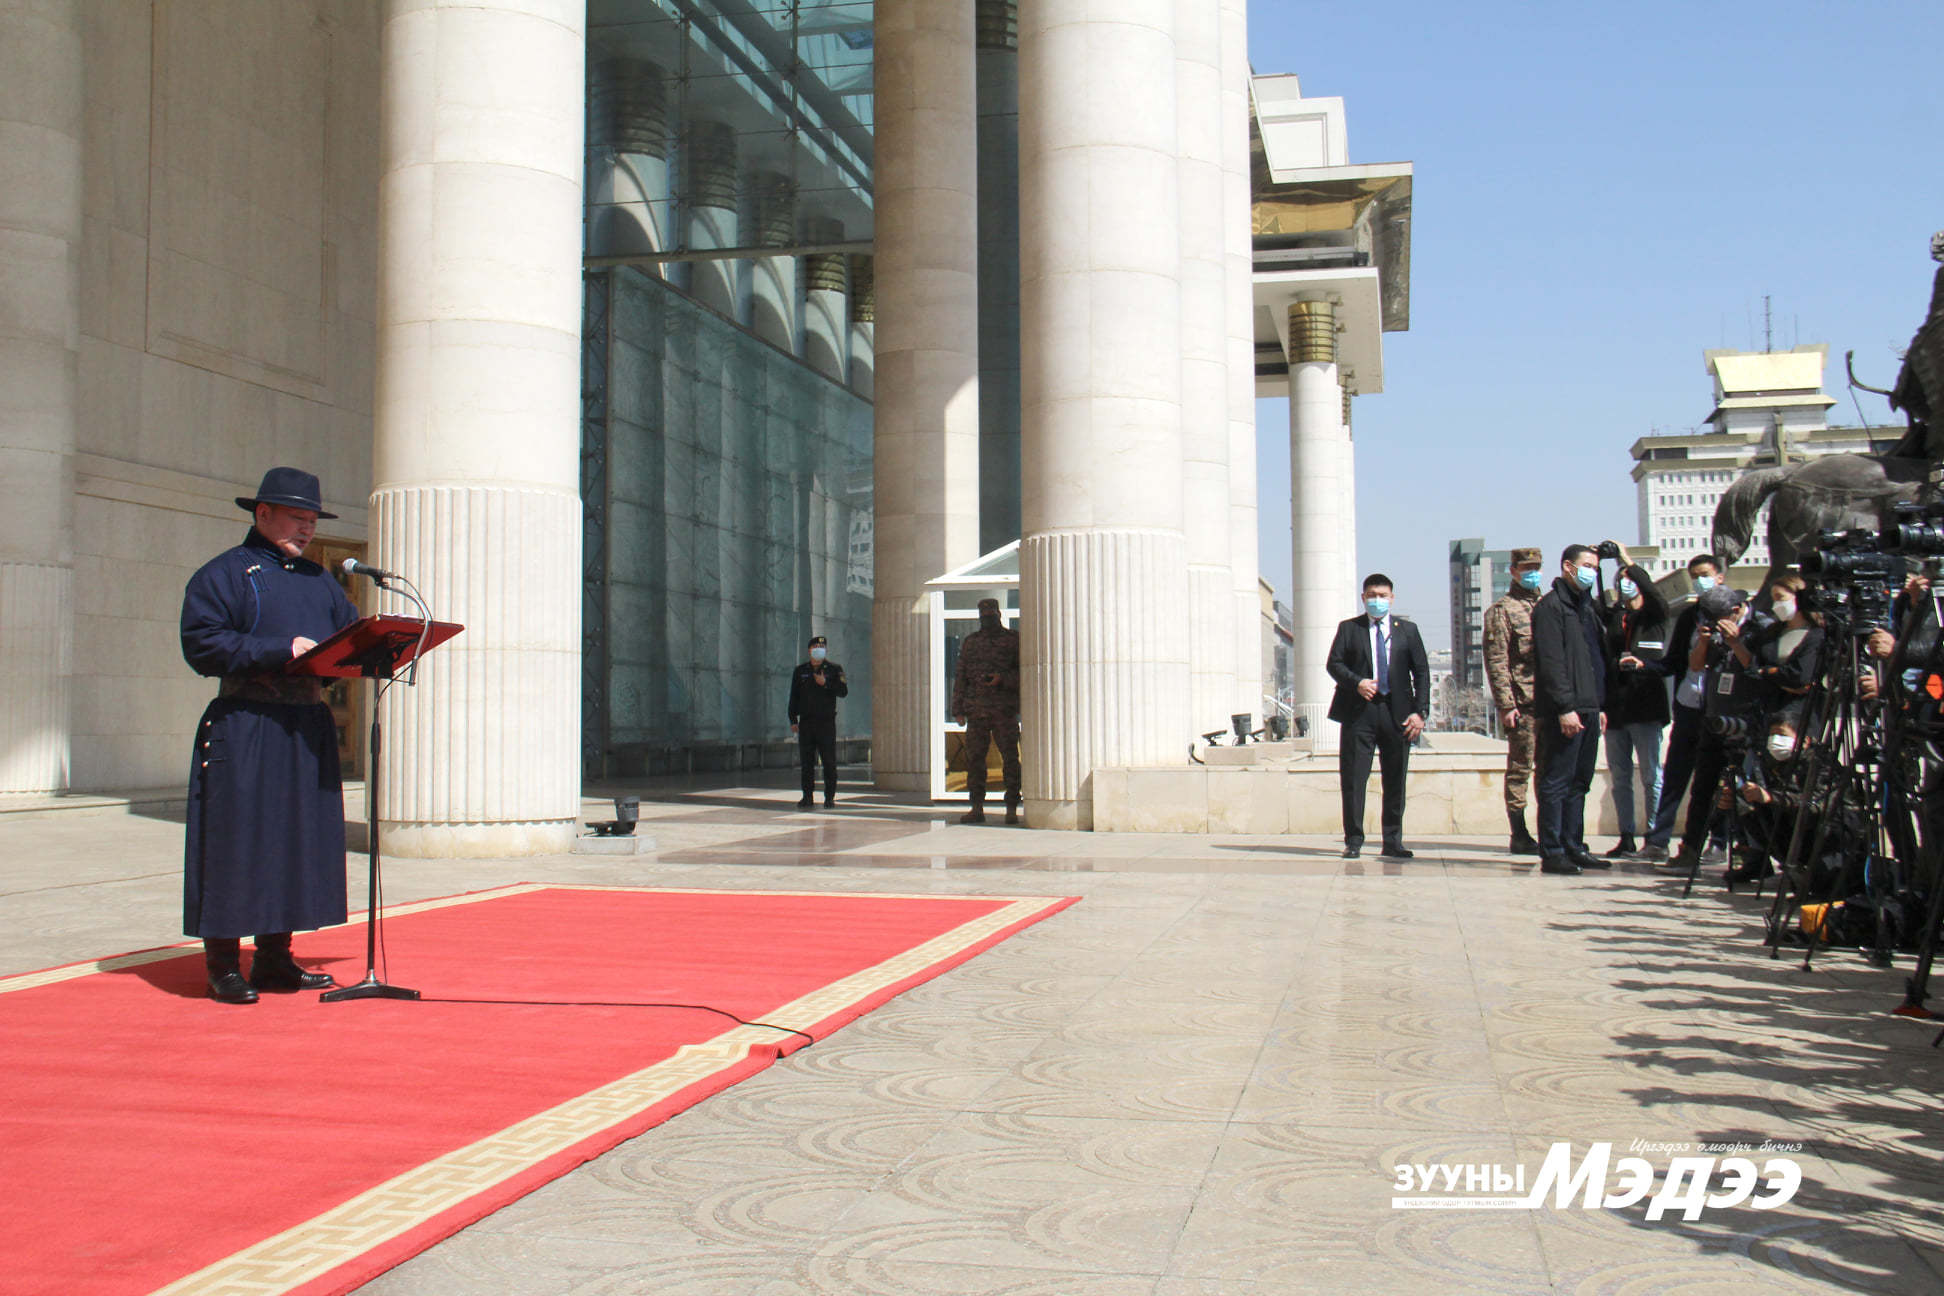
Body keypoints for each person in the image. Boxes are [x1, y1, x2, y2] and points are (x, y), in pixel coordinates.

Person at [180, 467, 357, 1004]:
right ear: (262, 514)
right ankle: (224, 964)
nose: (306, 530)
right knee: (238, 841)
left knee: (295, 840)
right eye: (297, 518)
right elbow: (202, 645)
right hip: (247, 723)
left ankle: (276, 959)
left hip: (307, 726)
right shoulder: (226, 574)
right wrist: (281, 649)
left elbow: (347, 636)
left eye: (311, 520)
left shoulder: (320, 580)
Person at [1326, 573, 1430, 860]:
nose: (1378, 600)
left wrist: (1420, 713)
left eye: (1383, 595)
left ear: (1392, 598)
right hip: (1359, 712)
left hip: (1397, 714)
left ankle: (1392, 840)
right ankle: (1354, 840)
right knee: (1354, 778)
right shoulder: (1349, 629)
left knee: (1396, 779)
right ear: (1363, 597)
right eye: (1372, 595)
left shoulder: (1407, 630)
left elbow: (1421, 672)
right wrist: (1356, 682)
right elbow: (1333, 663)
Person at [1632, 553, 1727, 861]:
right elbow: (1674, 662)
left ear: (1720, 576)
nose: (1701, 581)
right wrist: (1644, 666)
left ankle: (1718, 841)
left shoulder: (1734, 613)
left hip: (1722, 711)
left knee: (1717, 781)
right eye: (1695, 575)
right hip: (1690, 706)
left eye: (1705, 574)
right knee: (1675, 775)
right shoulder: (1689, 618)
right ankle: (1658, 841)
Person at [1531, 544, 1612, 876]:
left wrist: (1599, 705)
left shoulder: (1586, 609)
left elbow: (1594, 659)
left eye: (1595, 566)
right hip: (1564, 710)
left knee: (1580, 781)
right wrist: (1565, 707)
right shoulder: (1551, 608)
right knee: (1556, 780)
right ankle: (1552, 850)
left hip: (1590, 706)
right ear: (1568, 567)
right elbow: (1552, 663)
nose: (1592, 571)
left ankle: (1574, 845)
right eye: (1587, 565)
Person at [1599, 541, 1670, 859]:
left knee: (1651, 774)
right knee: (1620, 775)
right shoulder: (1617, 617)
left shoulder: (1653, 615)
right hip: (1617, 706)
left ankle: (1655, 837)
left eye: (1630, 579)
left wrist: (1626, 560)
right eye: (1621, 579)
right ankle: (1626, 835)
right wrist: (1597, 565)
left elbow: (1653, 594)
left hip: (1646, 705)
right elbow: (1596, 606)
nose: (1625, 583)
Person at [1483, 546, 1545, 855]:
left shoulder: (1548, 606)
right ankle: (1519, 833)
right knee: (1521, 768)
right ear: (1514, 571)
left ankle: (1552, 830)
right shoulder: (1502, 611)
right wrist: (1506, 705)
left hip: (1552, 704)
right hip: (1524, 704)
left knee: (1552, 772)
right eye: (1526, 567)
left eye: (1536, 567)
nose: (1532, 573)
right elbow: (1497, 662)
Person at [951, 597, 1022, 825]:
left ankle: (1011, 807)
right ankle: (976, 807)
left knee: (1010, 759)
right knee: (975, 761)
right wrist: (958, 710)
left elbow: (1024, 673)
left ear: (999, 615)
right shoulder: (971, 642)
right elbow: (961, 676)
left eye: (990, 616)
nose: (987, 620)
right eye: (984, 617)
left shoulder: (1013, 640)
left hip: (1004, 710)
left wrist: (1003, 679)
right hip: (977, 711)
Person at [787, 635, 847, 808]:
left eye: (822, 647)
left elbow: (843, 691)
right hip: (806, 723)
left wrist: (826, 683)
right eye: (816, 647)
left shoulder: (834, 669)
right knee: (806, 763)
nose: (819, 650)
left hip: (826, 723)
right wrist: (792, 718)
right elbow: (794, 697)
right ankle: (807, 796)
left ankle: (829, 797)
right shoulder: (800, 671)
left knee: (829, 761)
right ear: (809, 650)